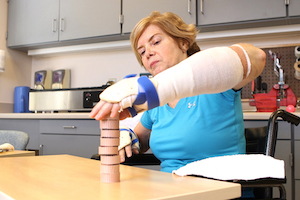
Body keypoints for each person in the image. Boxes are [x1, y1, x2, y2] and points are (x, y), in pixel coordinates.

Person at [90, 11, 266, 196]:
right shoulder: (154, 104)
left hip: (218, 192)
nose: (148, 53)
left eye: (156, 42)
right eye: (142, 52)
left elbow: (257, 57)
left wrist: (160, 88)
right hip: (169, 191)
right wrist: (128, 137)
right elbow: (141, 140)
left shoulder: (216, 83)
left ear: (183, 43)